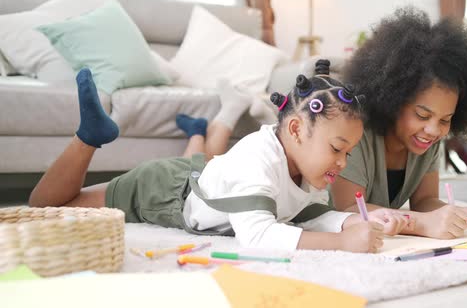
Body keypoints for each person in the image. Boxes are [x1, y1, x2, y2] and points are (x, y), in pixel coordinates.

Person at [29, 60, 410, 252]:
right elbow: (258, 234)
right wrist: (342, 243)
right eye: (337, 149)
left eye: (348, 152)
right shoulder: (258, 159)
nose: (343, 163)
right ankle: (88, 136)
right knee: (46, 207)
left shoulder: (310, 168)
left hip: (199, 176)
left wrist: (350, 224)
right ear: (295, 130)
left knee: (204, 162)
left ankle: (197, 133)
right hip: (162, 191)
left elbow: (309, 216)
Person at [330, 7, 467, 239]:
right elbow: (348, 210)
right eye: (422, 115)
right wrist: (421, 224)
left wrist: (453, 214)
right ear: (392, 99)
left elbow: (423, 200)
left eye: (445, 120)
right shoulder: (355, 133)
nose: (433, 130)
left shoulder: (427, 140)